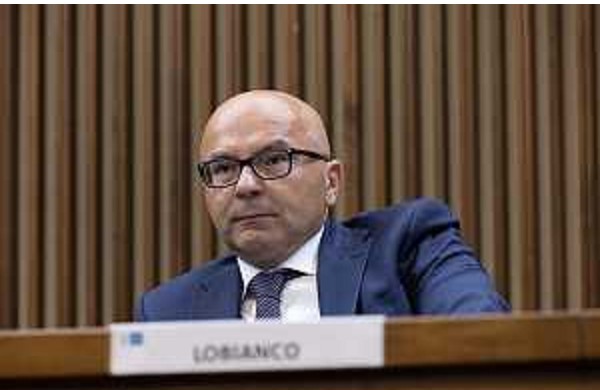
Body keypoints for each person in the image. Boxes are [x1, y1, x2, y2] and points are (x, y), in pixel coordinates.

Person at [136, 89, 509, 322]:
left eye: (274, 160)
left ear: (331, 182)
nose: (245, 186)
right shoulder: (166, 311)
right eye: (222, 168)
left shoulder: (407, 247)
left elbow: (481, 336)